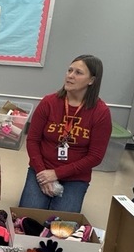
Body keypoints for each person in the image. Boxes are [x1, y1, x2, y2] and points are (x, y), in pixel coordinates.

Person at [19, 54, 112, 213]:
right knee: (28, 216)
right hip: (42, 169)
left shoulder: (101, 112)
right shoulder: (49, 102)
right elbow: (32, 140)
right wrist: (42, 173)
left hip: (75, 176)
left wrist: (56, 174)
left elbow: (95, 156)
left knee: (62, 221)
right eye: (69, 70)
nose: (70, 75)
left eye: (78, 72)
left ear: (91, 80)